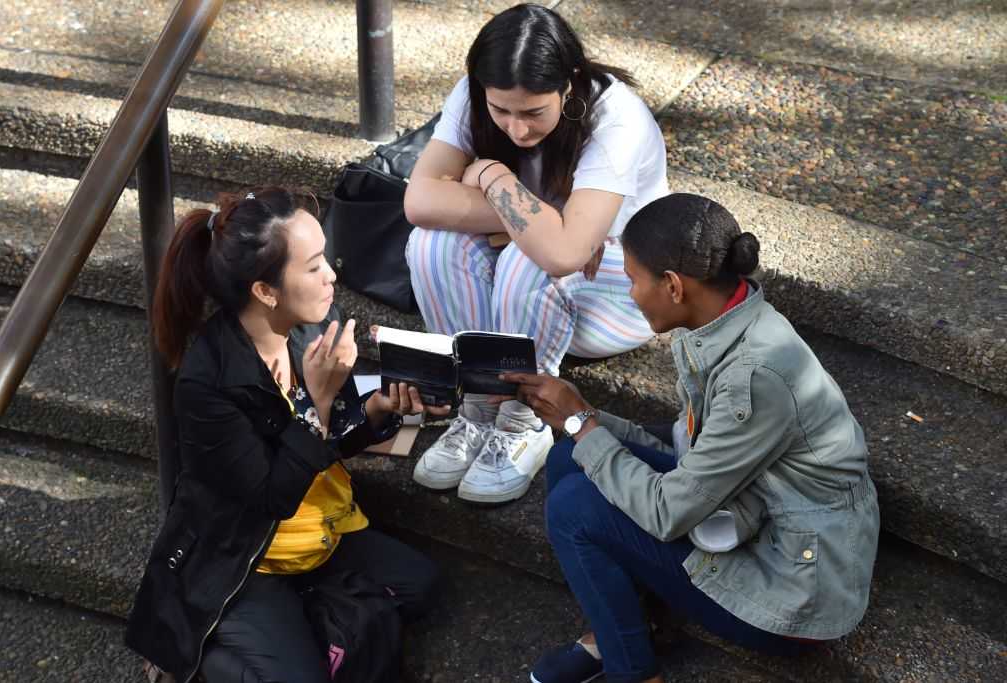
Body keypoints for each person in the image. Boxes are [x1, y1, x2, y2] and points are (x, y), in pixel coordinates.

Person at [498, 194, 881, 683]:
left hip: (793, 591)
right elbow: (692, 451)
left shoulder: (754, 376)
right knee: (569, 459)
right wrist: (582, 418)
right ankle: (620, 629)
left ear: (674, 286)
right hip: (754, 514)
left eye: (633, 279)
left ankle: (632, 671)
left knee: (575, 506)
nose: (630, 292)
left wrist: (581, 421)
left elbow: (667, 511)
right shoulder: (727, 322)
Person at [125, 187, 447, 683]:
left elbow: (334, 437)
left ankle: (300, 623)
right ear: (265, 290)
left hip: (320, 529)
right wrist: (316, 403)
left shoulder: (313, 325)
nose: (332, 277)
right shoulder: (208, 380)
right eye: (314, 265)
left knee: (421, 586)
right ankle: (196, 655)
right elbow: (268, 495)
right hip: (250, 554)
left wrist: (379, 409)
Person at [403, 3, 669, 504]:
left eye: (532, 113)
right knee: (432, 243)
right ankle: (479, 402)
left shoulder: (617, 120)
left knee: (530, 259)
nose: (516, 130)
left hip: (621, 292)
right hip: (525, 291)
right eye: (501, 111)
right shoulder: (477, 92)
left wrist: (489, 175)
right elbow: (420, 201)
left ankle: (526, 420)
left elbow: (564, 253)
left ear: (568, 83)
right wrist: (542, 223)